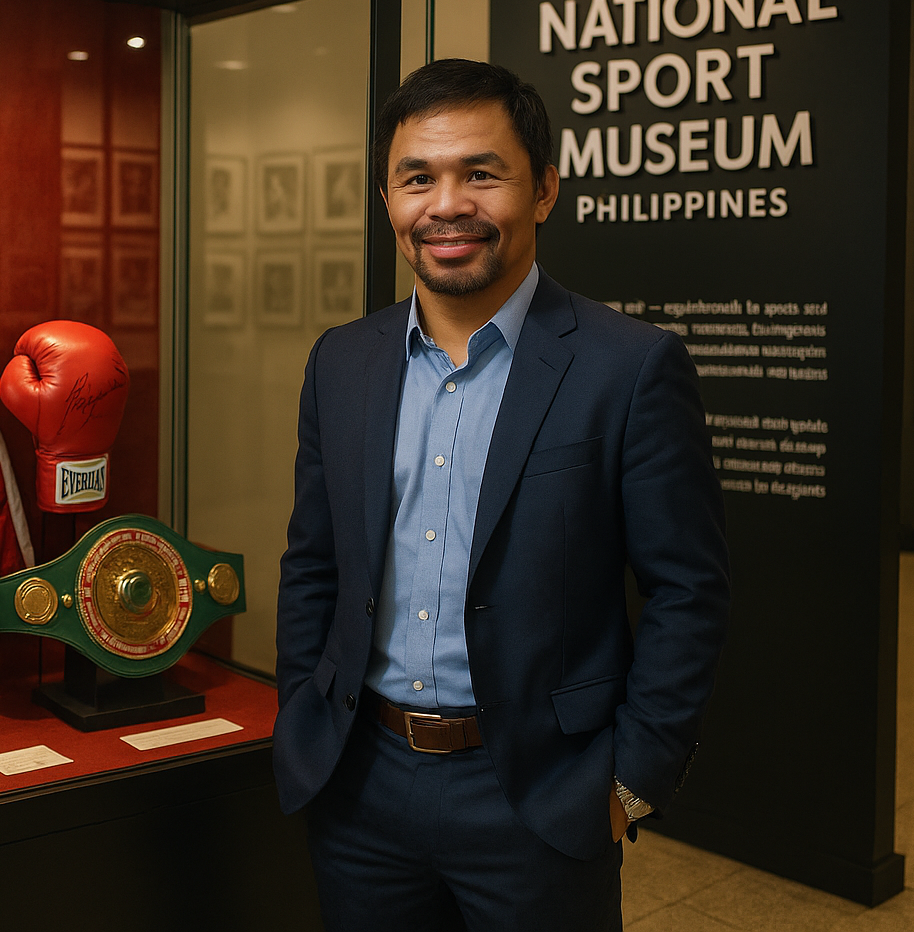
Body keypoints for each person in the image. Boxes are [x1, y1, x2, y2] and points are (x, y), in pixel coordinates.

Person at [274, 59, 730, 931]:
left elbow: (690, 590)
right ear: (388, 201)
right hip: (358, 782)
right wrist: (303, 717)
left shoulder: (629, 368)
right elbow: (315, 562)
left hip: (540, 794)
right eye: (418, 178)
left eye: (481, 173)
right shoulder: (342, 362)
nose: (447, 204)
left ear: (545, 188)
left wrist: (631, 780)